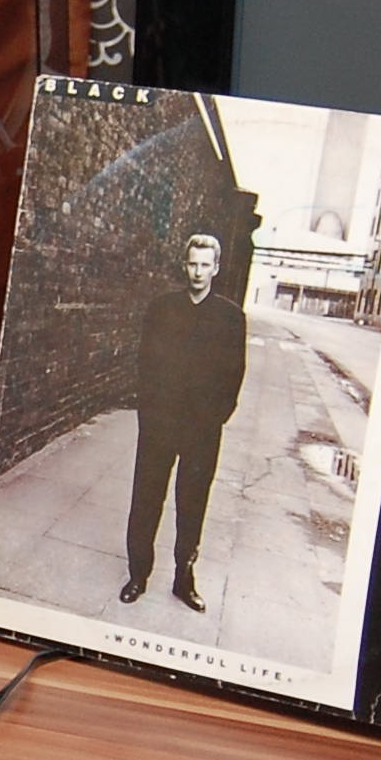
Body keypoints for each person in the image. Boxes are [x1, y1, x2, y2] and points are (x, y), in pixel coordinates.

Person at [122, 232, 247, 612]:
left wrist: (216, 417)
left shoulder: (230, 317)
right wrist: (148, 410)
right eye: (193, 264)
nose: (198, 272)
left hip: (201, 429)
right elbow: (145, 362)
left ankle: (183, 579)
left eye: (205, 265)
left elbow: (234, 373)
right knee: (146, 498)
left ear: (216, 268)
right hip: (160, 422)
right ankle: (138, 575)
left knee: (192, 504)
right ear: (184, 265)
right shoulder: (162, 308)